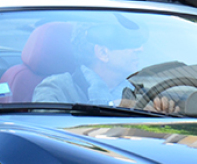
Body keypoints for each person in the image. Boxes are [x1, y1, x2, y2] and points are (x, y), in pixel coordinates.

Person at [33, 18, 176, 113]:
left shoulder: (144, 91)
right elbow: (48, 135)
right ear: (102, 52)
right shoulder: (56, 88)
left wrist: (166, 114)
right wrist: (114, 107)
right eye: (129, 43)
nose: (140, 49)